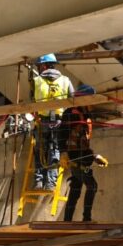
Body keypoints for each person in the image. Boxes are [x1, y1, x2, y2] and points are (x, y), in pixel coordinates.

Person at [60, 85, 108, 223]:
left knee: (75, 190)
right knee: (92, 186)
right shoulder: (71, 113)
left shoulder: (85, 116)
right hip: (74, 158)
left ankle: (67, 221)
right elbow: (62, 134)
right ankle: (86, 219)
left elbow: (82, 143)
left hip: (82, 157)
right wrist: (63, 153)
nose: (93, 103)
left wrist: (95, 157)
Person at [31, 53, 73, 189]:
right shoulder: (65, 80)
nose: (38, 69)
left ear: (44, 66)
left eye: (39, 66)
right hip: (59, 122)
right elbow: (73, 100)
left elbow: (32, 101)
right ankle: (51, 183)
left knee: (40, 149)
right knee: (55, 150)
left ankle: (38, 181)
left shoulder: (36, 81)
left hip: (42, 121)